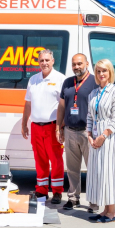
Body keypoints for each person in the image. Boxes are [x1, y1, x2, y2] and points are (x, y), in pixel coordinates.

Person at [85, 59, 115, 223]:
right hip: (95, 138)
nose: (101, 74)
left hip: (109, 138)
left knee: (109, 173)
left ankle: (112, 212)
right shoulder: (93, 94)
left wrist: (103, 135)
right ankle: (105, 210)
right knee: (100, 173)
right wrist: (89, 134)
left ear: (110, 72)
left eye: (104, 71)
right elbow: (90, 116)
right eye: (98, 71)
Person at [21, 49, 66, 204]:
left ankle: (58, 192)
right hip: (35, 126)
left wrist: (61, 127)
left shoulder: (60, 79)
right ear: (38, 62)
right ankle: (41, 190)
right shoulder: (33, 79)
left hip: (53, 126)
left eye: (47, 60)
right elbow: (27, 103)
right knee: (40, 159)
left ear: (53, 61)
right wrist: (24, 123)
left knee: (56, 159)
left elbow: (64, 106)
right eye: (41, 61)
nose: (44, 63)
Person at [56, 53, 99, 212]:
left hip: (88, 133)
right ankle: (73, 198)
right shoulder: (67, 82)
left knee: (92, 168)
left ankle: (94, 201)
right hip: (70, 131)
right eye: (74, 64)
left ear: (87, 63)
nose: (77, 67)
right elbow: (61, 106)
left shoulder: (94, 82)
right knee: (72, 168)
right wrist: (58, 127)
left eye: (80, 64)